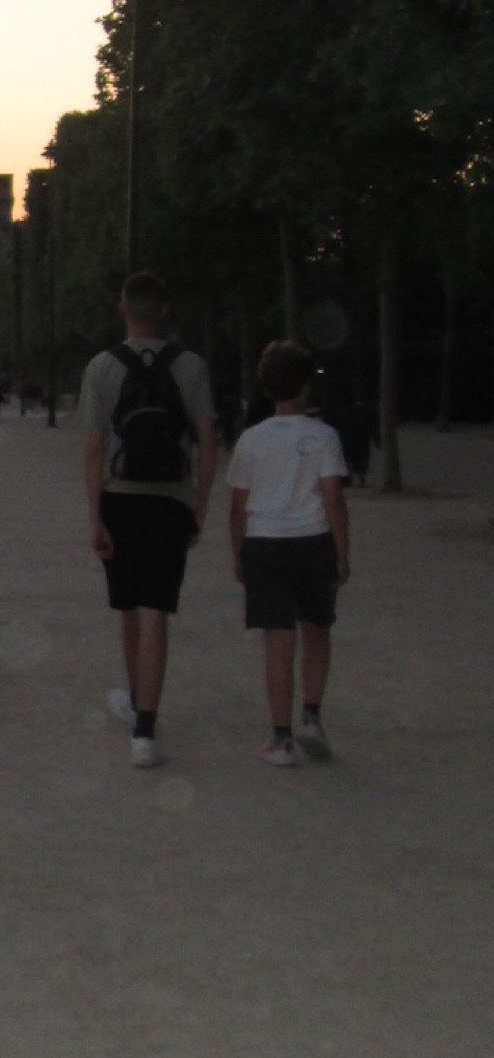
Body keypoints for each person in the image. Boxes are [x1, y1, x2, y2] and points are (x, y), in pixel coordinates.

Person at [80, 270, 218, 767]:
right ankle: (144, 730)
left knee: (130, 608)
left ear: (122, 309)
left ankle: (138, 705)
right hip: (171, 498)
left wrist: (95, 515)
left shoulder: (101, 366)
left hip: (120, 496)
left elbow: (95, 447)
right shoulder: (191, 366)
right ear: (164, 310)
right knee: (157, 607)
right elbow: (207, 439)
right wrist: (198, 505)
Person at [227, 341, 350, 765]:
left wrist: (238, 552)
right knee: (317, 629)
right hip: (312, 539)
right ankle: (312, 715)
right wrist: (342, 551)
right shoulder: (323, 436)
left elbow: (238, 504)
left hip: (265, 541)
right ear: (304, 387)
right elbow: (332, 497)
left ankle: (280, 739)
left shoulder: (251, 439)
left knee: (277, 641)